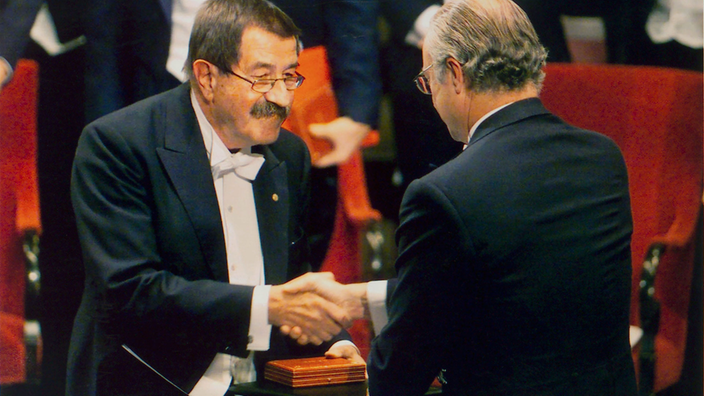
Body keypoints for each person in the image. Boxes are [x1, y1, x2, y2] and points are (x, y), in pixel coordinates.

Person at [290, 0, 638, 394]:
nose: (430, 97)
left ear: (454, 73)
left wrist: (366, 366)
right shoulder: (603, 159)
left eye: (427, 80)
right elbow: (523, 282)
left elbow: (403, 369)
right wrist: (361, 298)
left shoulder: (443, 192)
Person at [66, 1, 362, 395]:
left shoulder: (290, 156)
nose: (282, 99)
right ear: (206, 76)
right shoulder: (118, 144)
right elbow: (131, 290)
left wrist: (333, 344)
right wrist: (267, 306)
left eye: (289, 76)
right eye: (261, 78)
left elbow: (288, 282)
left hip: (255, 383)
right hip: (151, 380)